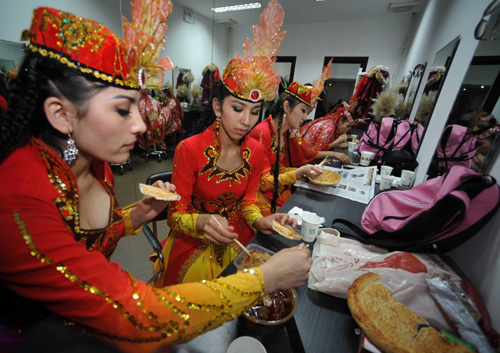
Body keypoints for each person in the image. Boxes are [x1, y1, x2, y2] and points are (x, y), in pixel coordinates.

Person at [0, 4, 311, 353]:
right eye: (122, 109)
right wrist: (264, 280)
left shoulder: (93, 161)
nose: (142, 125)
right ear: (60, 114)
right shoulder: (16, 197)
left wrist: (137, 215)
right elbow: (135, 313)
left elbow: (83, 240)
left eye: (138, 106)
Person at [152, 0, 300, 287]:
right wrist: (202, 222)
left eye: (254, 112)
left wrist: (261, 221)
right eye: (237, 109)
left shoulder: (256, 150)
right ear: (218, 107)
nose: (247, 120)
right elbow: (175, 215)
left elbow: (248, 203)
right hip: (193, 241)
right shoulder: (189, 149)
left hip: (238, 235)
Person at [249, 81, 352, 215]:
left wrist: (303, 172)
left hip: (277, 190)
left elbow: (279, 169)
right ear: (286, 106)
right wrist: (299, 172)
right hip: (258, 197)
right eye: (303, 110)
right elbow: (262, 184)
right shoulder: (262, 133)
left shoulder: (284, 132)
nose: (305, 117)